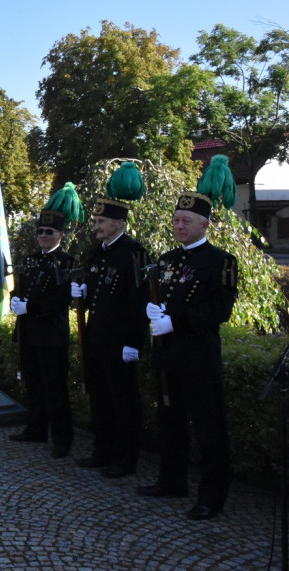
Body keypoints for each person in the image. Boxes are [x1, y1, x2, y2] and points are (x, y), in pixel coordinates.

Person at [140, 155, 239, 521]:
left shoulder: (220, 261)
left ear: (203, 224)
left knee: (210, 431)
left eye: (186, 221)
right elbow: (155, 298)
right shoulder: (166, 260)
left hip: (198, 359)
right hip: (168, 357)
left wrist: (175, 324)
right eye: (176, 220)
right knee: (170, 424)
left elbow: (218, 311)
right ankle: (172, 481)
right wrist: (151, 313)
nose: (178, 226)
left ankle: (212, 497)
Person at [70, 162, 150, 479]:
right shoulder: (98, 252)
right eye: (96, 220)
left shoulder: (134, 253)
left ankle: (124, 459)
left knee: (123, 402)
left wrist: (134, 342)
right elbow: (96, 294)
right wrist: (83, 293)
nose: (96, 226)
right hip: (98, 337)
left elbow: (140, 301)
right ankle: (101, 451)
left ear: (119, 223)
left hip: (120, 341)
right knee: (101, 398)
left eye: (101, 221)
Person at [9, 183, 82, 459]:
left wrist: (31, 306)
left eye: (48, 232)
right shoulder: (30, 260)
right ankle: (35, 429)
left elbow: (61, 300)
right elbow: (22, 288)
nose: (43, 235)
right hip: (29, 332)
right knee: (33, 384)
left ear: (60, 235)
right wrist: (17, 300)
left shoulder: (65, 262)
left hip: (51, 335)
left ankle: (62, 439)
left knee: (55, 389)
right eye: (40, 231)